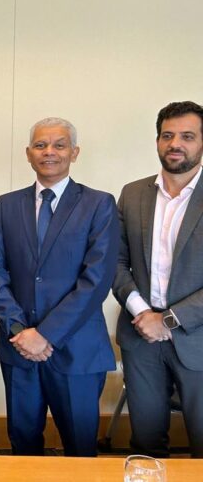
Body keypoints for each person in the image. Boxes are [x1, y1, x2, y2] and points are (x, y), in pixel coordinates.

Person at [0, 117, 119, 457]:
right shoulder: (6, 205)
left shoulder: (99, 204)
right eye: (40, 145)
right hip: (19, 348)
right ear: (28, 153)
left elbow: (96, 280)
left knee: (80, 449)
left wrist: (45, 335)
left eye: (59, 145)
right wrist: (20, 330)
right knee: (23, 445)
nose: (49, 152)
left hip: (77, 349)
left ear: (75, 152)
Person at [112, 101, 203, 458]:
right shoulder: (133, 193)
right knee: (147, 445)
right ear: (157, 141)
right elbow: (116, 262)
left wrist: (168, 319)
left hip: (197, 338)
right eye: (167, 136)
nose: (175, 144)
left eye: (187, 136)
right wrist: (143, 313)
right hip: (141, 337)